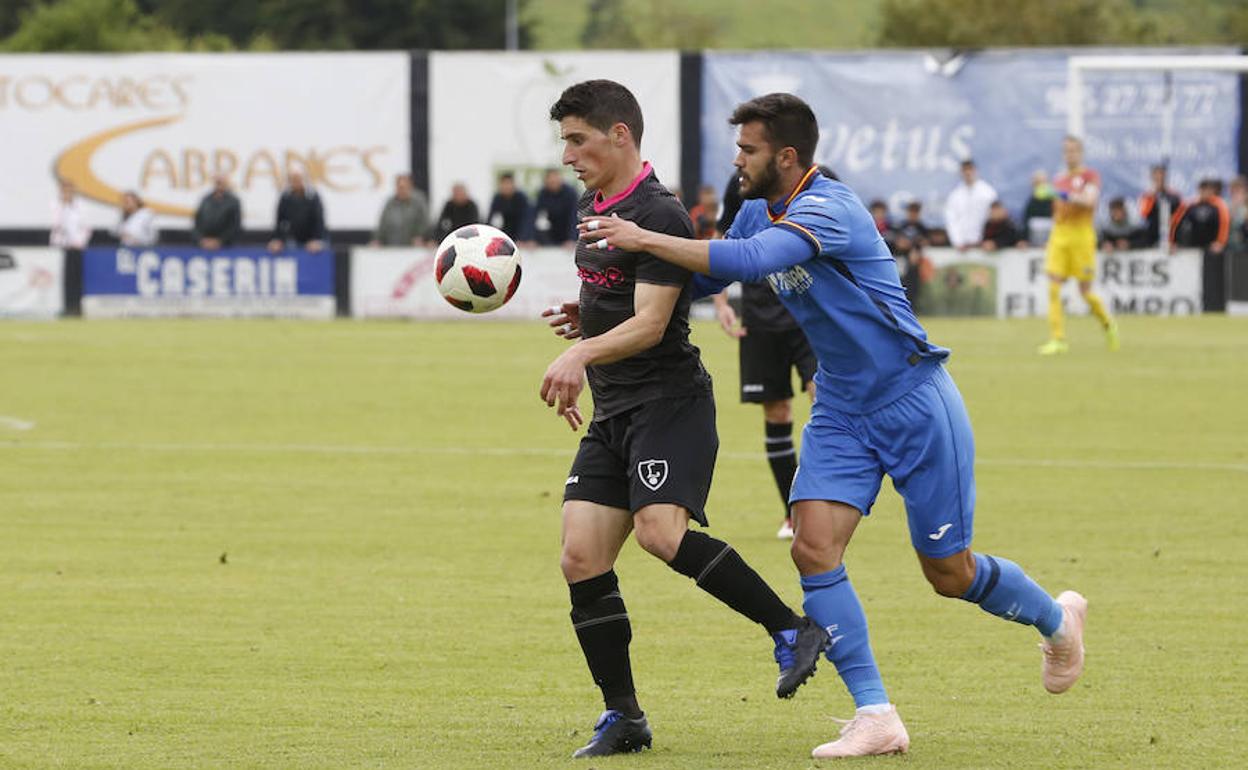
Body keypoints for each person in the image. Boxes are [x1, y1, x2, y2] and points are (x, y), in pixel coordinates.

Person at [578, 92, 1088, 760]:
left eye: (749, 150)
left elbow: (750, 264)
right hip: (843, 410)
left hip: (914, 400)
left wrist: (643, 235)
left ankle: (1057, 621)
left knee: (949, 573)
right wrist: (602, 302)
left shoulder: (831, 208)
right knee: (813, 548)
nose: (737, 160)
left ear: (786, 157)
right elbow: (710, 275)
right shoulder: (759, 207)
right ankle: (876, 714)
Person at [536, 80, 827, 760]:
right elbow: (619, 303)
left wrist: (581, 352)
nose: (570, 156)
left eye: (578, 140)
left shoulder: (658, 213)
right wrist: (586, 325)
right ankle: (625, 717)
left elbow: (650, 324)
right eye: (565, 143)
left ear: (620, 136)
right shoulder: (593, 204)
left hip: (670, 403)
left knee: (659, 535)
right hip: (615, 410)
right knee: (580, 557)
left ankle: (790, 628)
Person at [710, 166, 818, 540]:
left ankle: (824, 503)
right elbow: (722, 242)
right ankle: (792, 513)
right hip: (759, 317)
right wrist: (722, 304)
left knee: (824, 399)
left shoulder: (820, 182)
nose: (741, 158)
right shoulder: (738, 184)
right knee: (777, 412)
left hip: (809, 315)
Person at [1037, 136, 1118, 355]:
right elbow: (1058, 209)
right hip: (1060, 235)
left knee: (1085, 292)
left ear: (1080, 153)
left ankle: (1108, 324)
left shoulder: (1089, 176)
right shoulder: (1059, 178)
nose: (1069, 155)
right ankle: (1058, 339)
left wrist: (1059, 193)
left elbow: (1089, 201)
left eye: (1073, 151)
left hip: (1081, 236)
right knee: (1053, 285)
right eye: (1066, 151)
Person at [1172, 179, 1232, 312]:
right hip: (1192, 248)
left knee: (1212, 281)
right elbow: (1176, 223)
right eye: (1203, 190)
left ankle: (1214, 307)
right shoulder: (1190, 205)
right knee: (1189, 278)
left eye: (1208, 190)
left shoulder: (1219, 205)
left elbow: (1225, 224)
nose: (1206, 193)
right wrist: (1173, 242)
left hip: (1211, 248)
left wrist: (1220, 243)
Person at [943, 159, 996, 250]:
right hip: (962, 247)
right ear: (961, 173)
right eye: (965, 170)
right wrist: (957, 241)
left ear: (975, 171)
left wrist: (987, 240)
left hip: (983, 245)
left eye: (970, 169)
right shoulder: (955, 196)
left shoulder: (988, 192)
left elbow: (993, 217)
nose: (967, 173)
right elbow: (951, 219)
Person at [268, 170, 326, 253]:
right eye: (293, 180)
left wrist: (316, 239)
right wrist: (277, 239)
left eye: (299, 179)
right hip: (293, 238)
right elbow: (280, 221)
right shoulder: (285, 197)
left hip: (312, 237)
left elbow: (318, 220)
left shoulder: (313, 197)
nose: (296, 182)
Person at [371, 173, 429, 247]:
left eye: (404, 187)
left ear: (410, 186)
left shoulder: (418, 202)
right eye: (399, 187)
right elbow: (382, 224)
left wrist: (420, 237)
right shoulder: (390, 204)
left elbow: (424, 223)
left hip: (413, 247)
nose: (401, 190)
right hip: (392, 247)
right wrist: (377, 240)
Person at [193, 174, 242, 250]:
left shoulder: (233, 202)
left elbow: (234, 226)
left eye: (222, 182)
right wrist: (201, 240)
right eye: (217, 182)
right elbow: (197, 222)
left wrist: (219, 241)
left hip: (226, 246)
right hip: (204, 244)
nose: (219, 184)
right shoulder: (206, 200)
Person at [1138, 164, 1182, 247]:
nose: (1159, 178)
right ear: (1152, 178)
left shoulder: (1174, 195)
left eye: (1161, 175)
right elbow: (1144, 213)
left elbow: (1180, 214)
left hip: (1171, 232)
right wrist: (1154, 195)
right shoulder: (1147, 196)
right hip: (1153, 233)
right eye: (1156, 176)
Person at [533, 168, 579, 245]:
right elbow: (533, 215)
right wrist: (530, 239)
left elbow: (574, 217)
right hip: (553, 229)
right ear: (545, 181)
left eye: (555, 178)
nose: (553, 181)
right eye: (550, 179)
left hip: (571, 228)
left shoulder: (570, 193)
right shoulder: (542, 193)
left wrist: (572, 238)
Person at [486, 172, 535, 243]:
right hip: (507, 232)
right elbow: (490, 219)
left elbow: (528, 219)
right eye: (504, 184)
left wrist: (523, 238)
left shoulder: (521, 198)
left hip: (521, 231)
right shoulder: (498, 198)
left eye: (509, 183)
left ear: (513, 185)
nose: (507, 187)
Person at [50, 179, 91, 249]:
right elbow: (55, 226)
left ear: (73, 191)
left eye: (69, 191)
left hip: (77, 246)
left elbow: (86, 229)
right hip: (58, 245)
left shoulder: (81, 207)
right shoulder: (55, 205)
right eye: (64, 191)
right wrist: (63, 206)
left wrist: (79, 242)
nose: (67, 193)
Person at [1022, 170, 1055, 244]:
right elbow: (1026, 221)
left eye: (1041, 183)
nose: (1039, 186)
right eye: (1036, 183)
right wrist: (1024, 239)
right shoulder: (1031, 201)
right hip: (1034, 242)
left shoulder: (1055, 200)